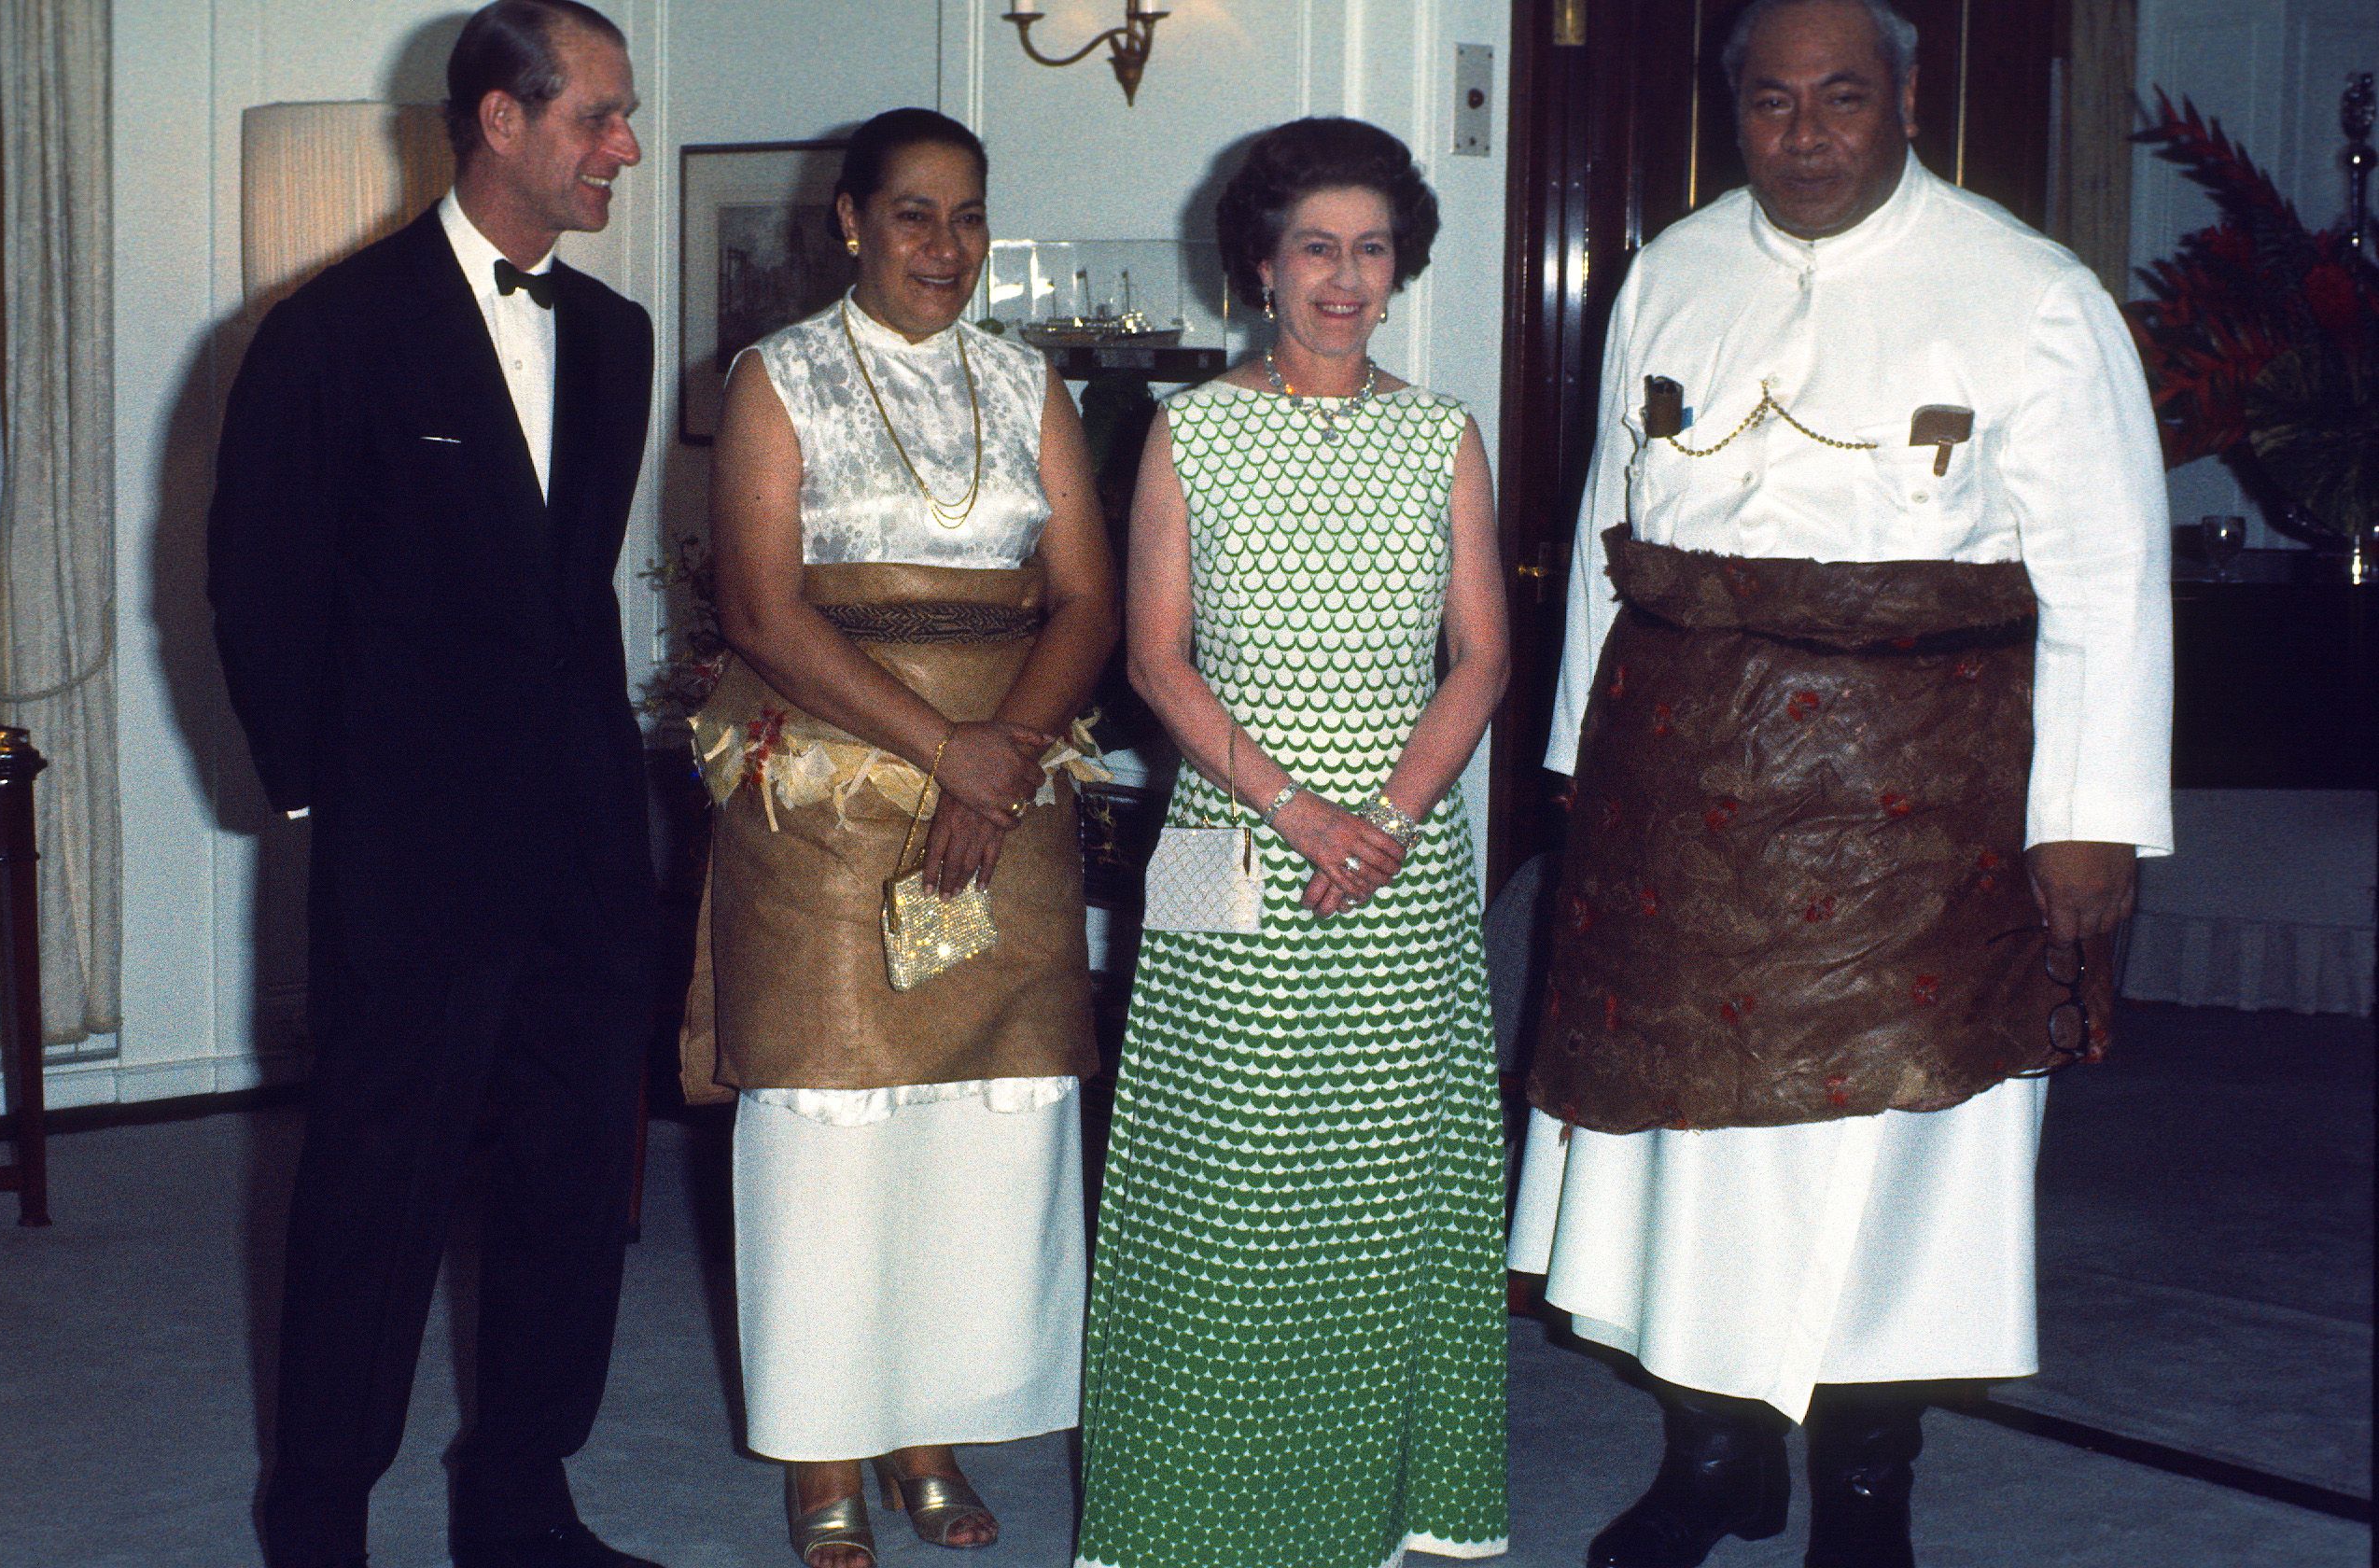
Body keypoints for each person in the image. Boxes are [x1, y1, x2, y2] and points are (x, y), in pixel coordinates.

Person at [1504, 2, 2173, 1564]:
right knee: (1682, 1153)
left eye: (1841, 101)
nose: (1804, 136)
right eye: (1771, 103)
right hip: (1678, 799)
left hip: (1919, 815)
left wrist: (2087, 822)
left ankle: (1866, 1493)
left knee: (1894, 1170)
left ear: (1907, 99)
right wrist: (1571, 767)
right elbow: (1615, 542)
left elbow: (2110, 579)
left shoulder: (2029, 297)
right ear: (1730, 105)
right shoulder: (1669, 276)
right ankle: (1711, 1457)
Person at [204, 5, 664, 1566]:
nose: (626, 146)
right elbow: (255, 591)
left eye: (625, 115)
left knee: (566, 1184)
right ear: (501, 119)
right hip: (409, 847)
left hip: (588, 839)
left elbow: (570, 599)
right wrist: (331, 802)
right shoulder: (331, 333)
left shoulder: (617, 337)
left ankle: (519, 1498)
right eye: (599, 116)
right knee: (374, 1194)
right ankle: (319, 1515)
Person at [679, 107, 1117, 1568]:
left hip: (1004, 794)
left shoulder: (1029, 380)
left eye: (969, 216)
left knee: (979, 1123)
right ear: (852, 223)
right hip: (827, 790)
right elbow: (759, 609)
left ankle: (930, 1429)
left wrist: (996, 774)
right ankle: (821, 1457)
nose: (947, 246)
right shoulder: (774, 377)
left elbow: (1087, 601)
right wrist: (949, 755)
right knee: (831, 1121)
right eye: (915, 215)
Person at [1074, 117, 1512, 1568]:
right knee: (1218, 1183)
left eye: (1371, 248)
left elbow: (1482, 663)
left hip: (1404, 863)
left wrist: (1381, 819)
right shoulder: (1190, 431)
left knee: (1387, 1187)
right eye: (1316, 247)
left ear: (1402, 268)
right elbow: (1155, 664)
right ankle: (1194, 1523)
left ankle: (1384, 1517)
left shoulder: (1442, 434)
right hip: (1225, 841)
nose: (1344, 277)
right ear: (1261, 264)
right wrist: (1298, 808)